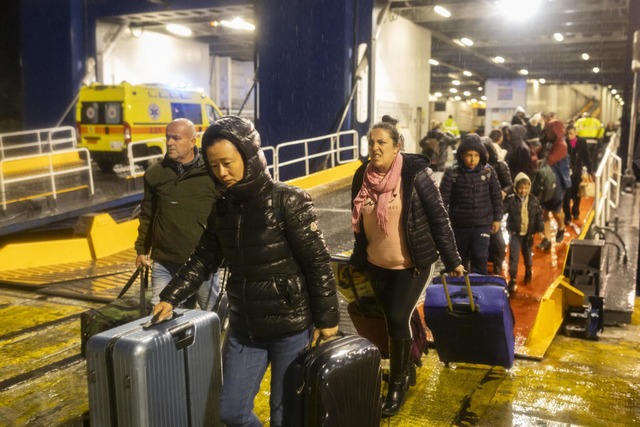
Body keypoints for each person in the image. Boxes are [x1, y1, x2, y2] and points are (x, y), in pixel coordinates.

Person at [152, 116, 340, 427]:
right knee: (231, 411)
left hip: (290, 327)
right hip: (244, 328)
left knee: (286, 416)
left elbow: (317, 262)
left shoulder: (287, 200)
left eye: (227, 163)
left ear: (249, 157)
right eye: (214, 166)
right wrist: (171, 296)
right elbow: (202, 258)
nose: (221, 173)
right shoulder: (221, 209)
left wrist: (328, 318)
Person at [350, 115, 463, 417]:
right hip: (377, 264)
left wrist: (452, 261)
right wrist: (359, 258)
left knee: (398, 317)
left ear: (397, 146)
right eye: (371, 142)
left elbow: (439, 218)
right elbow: (358, 223)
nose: (375, 148)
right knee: (393, 320)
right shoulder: (362, 175)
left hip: (412, 265)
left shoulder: (415, 175)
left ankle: (397, 384)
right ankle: (410, 362)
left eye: (381, 143)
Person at [134, 118, 219, 310]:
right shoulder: (155, 174)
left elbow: (226, 213)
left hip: (203, 262)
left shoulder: (212, 172)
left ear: (192, 141)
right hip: (165, 262)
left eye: (176, 138)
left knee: (212, 314)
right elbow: (147, 214)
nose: (170, 142)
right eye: (168, 138)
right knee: (159, 316)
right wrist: (141, 250)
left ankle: (212, 342)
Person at [439, 133, 503, 275]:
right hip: (460, 226)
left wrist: (497, 219)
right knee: (459, 262)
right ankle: (459, 294)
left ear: (481, 156)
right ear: (462, 155)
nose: (472, 159)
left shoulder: (488, 172)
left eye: (476, 155)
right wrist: (442, 224)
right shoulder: (452, 173)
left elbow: (496, 196)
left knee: (480, 259)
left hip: (482, 225)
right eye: (468, 155)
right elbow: (442, 200)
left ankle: (478, 293)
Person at [503, 173, 545, 294]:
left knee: (527, 256)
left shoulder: (533, 201)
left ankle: (528, 269)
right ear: (515, 188)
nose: (523, 190)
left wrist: (540, 229)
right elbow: (502, 209)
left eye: (526, 188)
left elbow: (539, 216)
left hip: (528, 235)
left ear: (529, 188)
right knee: (514, 257)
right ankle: (513, 279)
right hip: (515, 234)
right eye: (520, 188)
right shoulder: (511, 200)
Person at [537, 119, 571, 250]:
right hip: (546, 181)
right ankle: (546, 239)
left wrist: (537, 160)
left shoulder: (561, 145)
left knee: (556, 211)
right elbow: (538, 152)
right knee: (544, 211)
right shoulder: (548, 143)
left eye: (549, 130)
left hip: (556, 183)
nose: (547, 132)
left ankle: (561, 227)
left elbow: (548, 160)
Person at [482, 137, 512, 276]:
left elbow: (509, 185)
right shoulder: (476, 168)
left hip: (495, 207)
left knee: (497, 240)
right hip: (480, 209)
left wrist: (504, 191)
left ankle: (497, 264)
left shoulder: (500, 165)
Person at [563, 124, 593, 224]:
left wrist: (590, 171)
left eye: (571, 133)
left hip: (577, 172)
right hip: (566, 173)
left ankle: (575, 211)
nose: (569, 136)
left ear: (575, 133)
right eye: (567, 134)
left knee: (577, 193)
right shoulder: (564, 143)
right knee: (566, 195)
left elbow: (587, 157)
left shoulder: (582, 142)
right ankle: (567, 216)